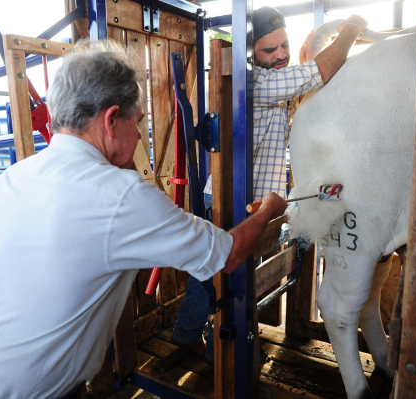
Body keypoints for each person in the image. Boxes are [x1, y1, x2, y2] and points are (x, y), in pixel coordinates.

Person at [0, 39, 287, 399]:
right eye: (136, 122)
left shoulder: (11, 179)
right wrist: (268, 210)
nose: (139, 135)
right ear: (111, 120)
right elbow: (228, 254)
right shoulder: (120, 195)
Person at [171, 6, 368, 363]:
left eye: (284, 45)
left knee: (225, 273)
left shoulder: (274, 83)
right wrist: (351, 29)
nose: (279, 55)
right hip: (230, 197)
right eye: (268, 50)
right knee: (216, 274)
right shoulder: (258, 83)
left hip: (254, 202)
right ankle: (203, 346)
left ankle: (207, 338)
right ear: (250, 54)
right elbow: (318, 72)